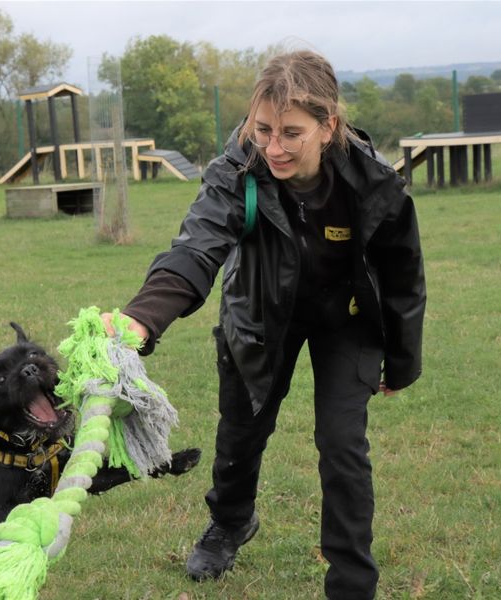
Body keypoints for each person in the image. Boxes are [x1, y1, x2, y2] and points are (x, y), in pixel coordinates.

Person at [101, 50, 426, 599]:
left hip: (345, 320)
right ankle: (230, 523)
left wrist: (402, 359)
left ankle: (352, 583)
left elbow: (402, 270)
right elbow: (196, 247)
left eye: (291, 133)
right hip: (258, 313)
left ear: (329, 127)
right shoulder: (238, 170)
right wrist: (141, 319)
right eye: (263, 130)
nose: (273, 147)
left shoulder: (372, 181)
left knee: (343, 444)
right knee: (241, 433)